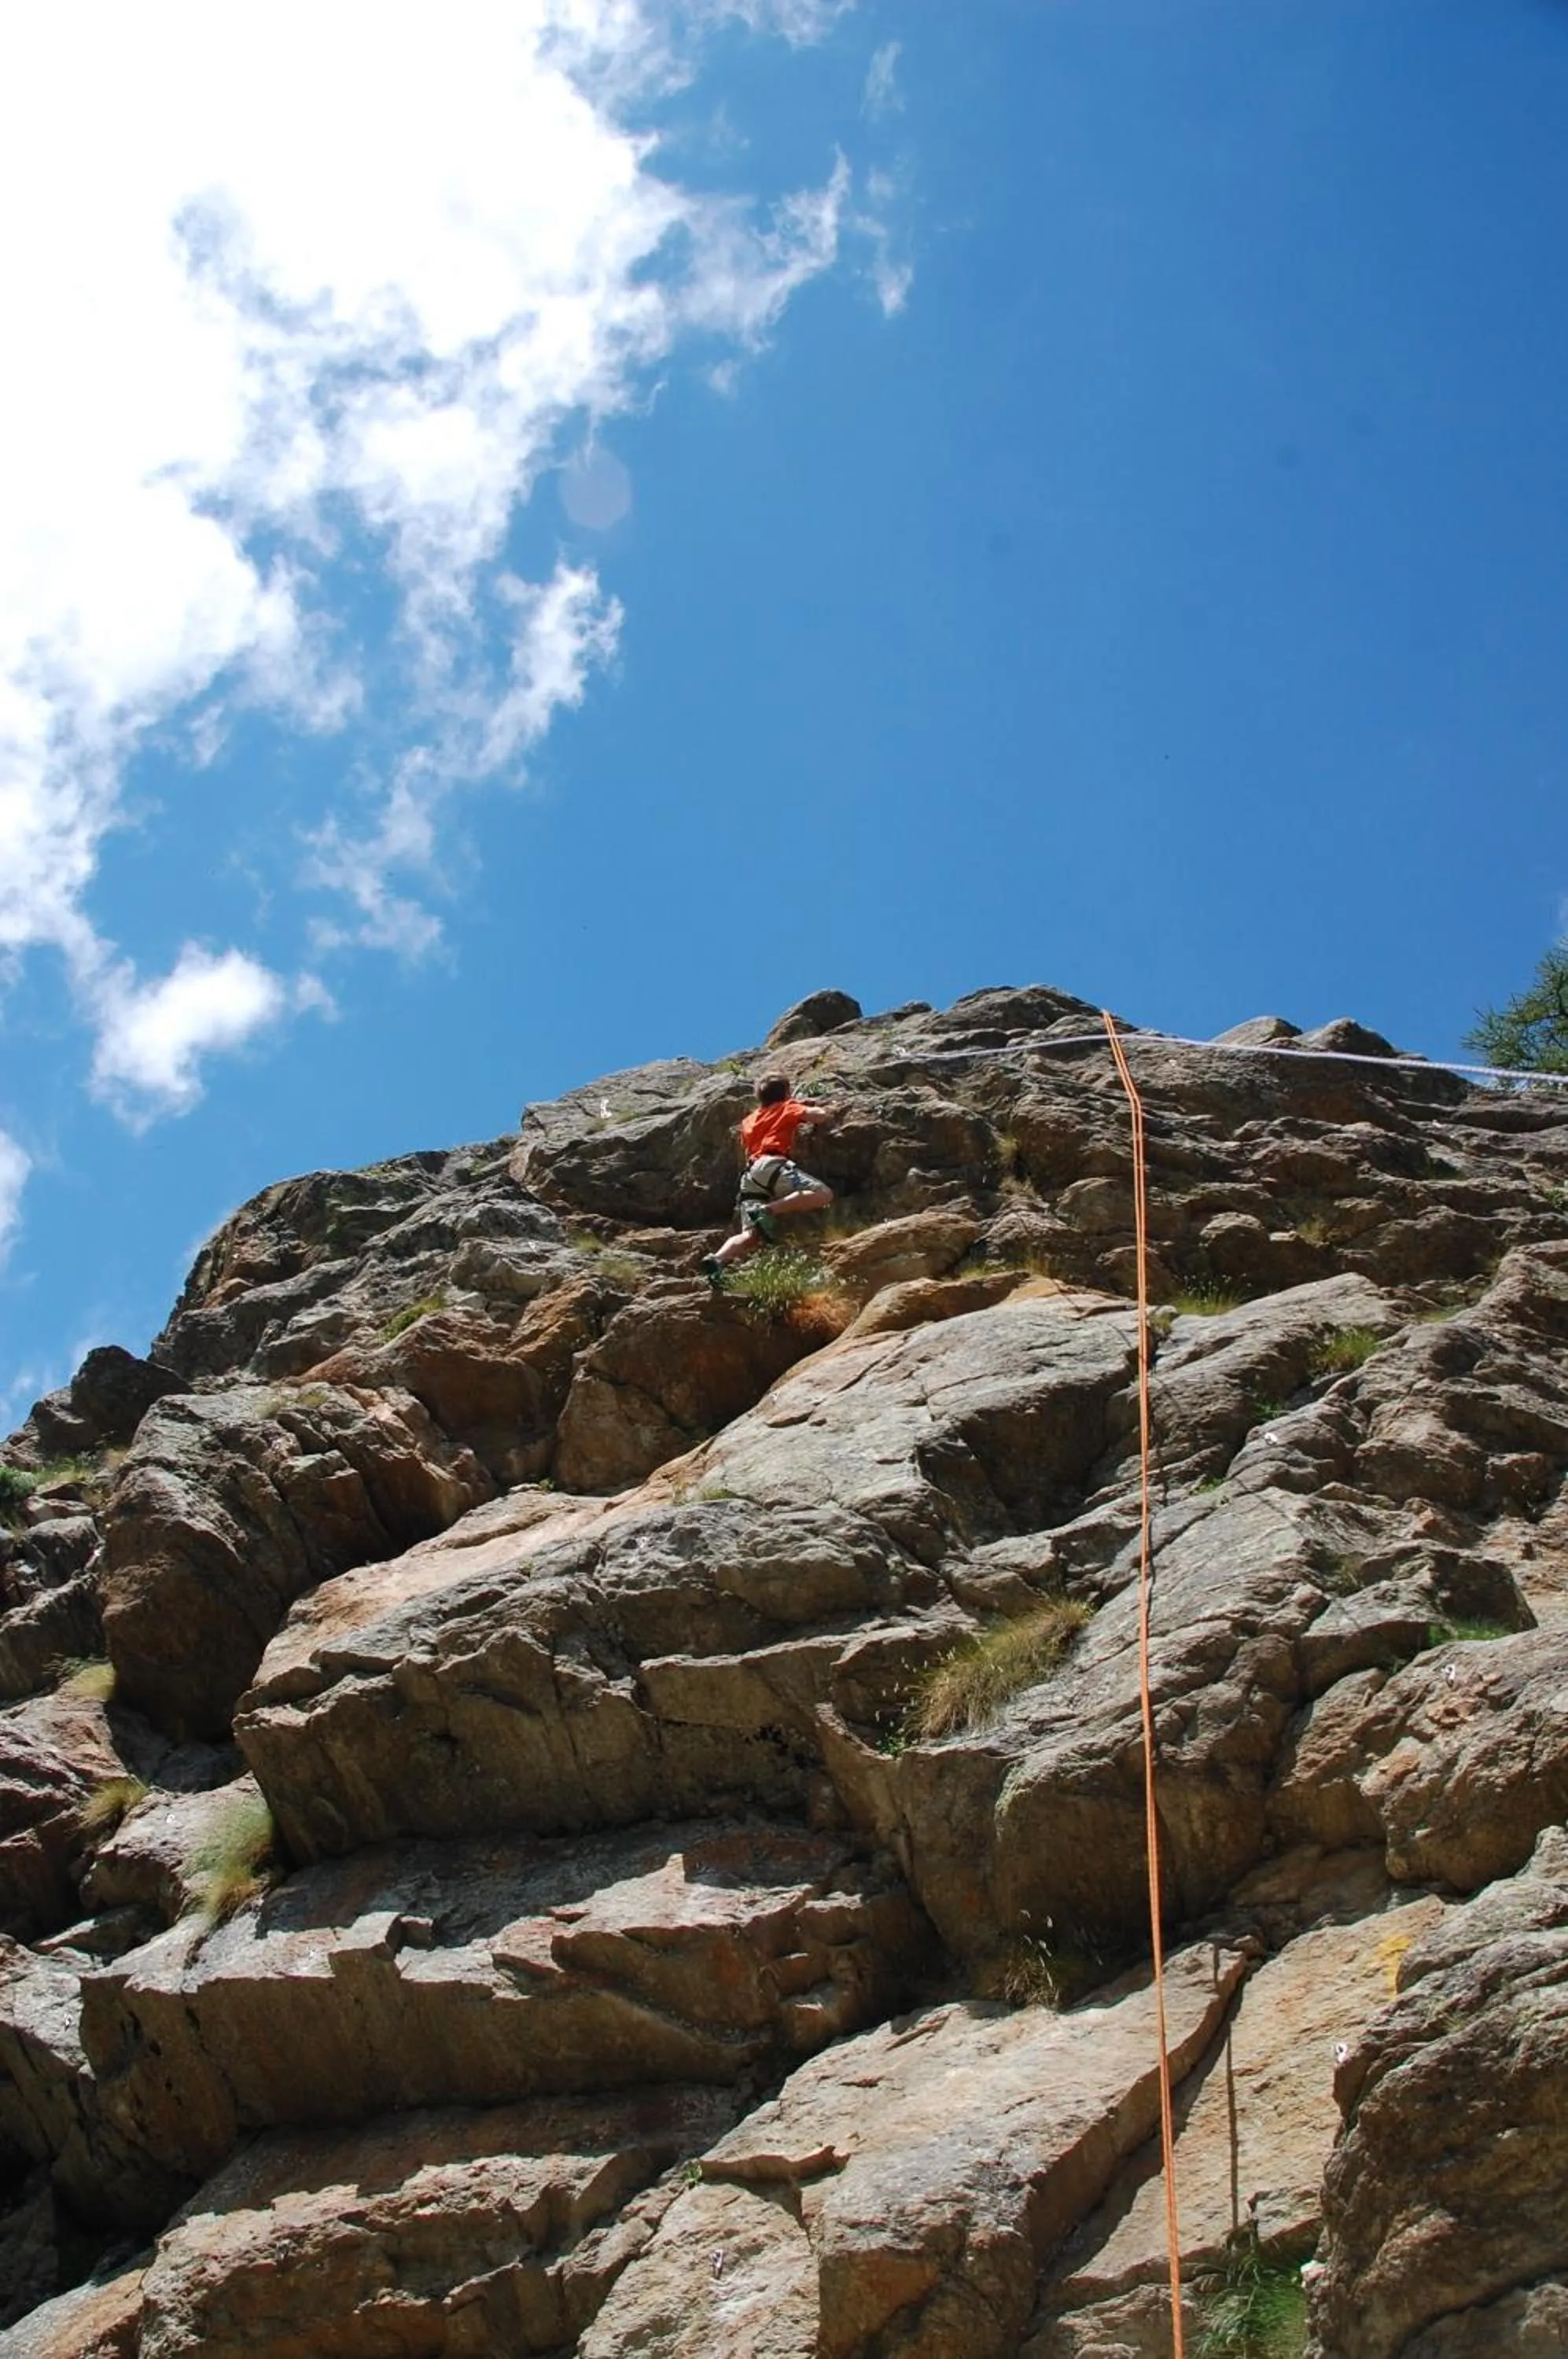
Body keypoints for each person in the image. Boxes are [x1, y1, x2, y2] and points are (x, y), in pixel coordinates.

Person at [701, 1073, 841, 1283]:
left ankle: (718, 1259)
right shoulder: (788, 1106)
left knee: (751, 1235)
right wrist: (811, 1107)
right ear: (785, 1092)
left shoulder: (749, 1120)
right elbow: (818, 1116)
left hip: (750, 1175)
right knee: (823, 1194)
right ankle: (767, 1210)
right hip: (772, 1164)